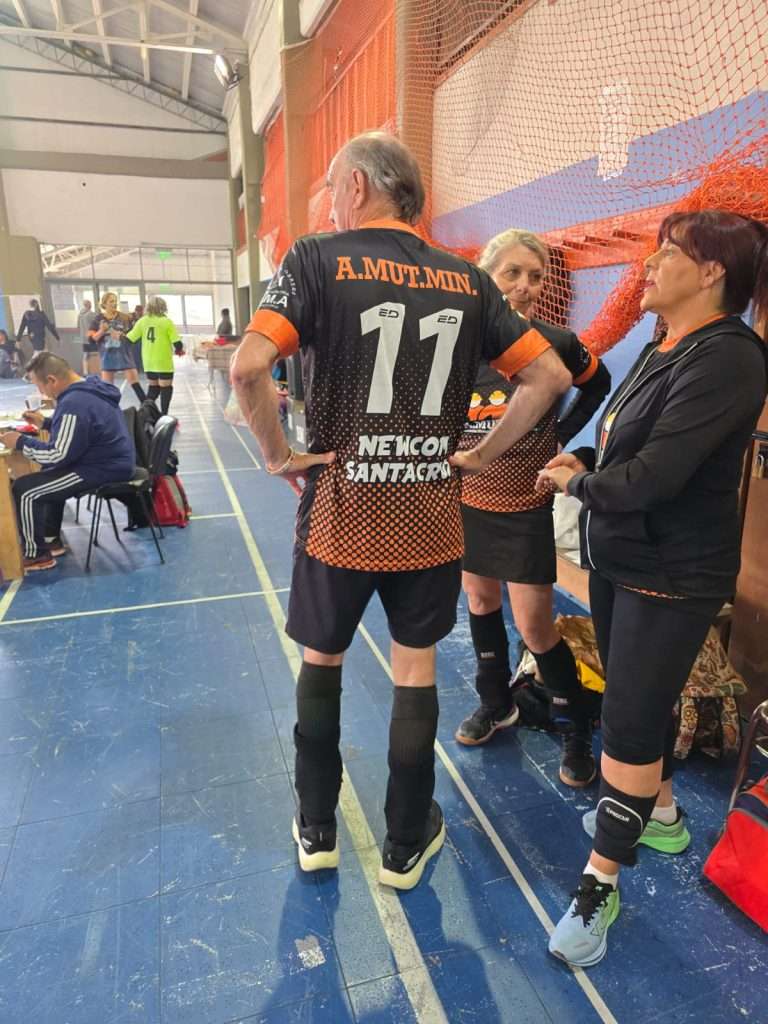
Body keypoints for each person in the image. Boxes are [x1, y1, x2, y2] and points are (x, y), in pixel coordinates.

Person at [231, 131, 570, 890]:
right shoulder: (468, 280)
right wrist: (482, 454)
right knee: (415, 668)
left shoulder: (317, 259)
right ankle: (405, 843)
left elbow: (249, 366)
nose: (328, 201)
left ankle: (316, 828)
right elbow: (548, 377)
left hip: (341, 516)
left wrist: (280, 455)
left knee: (323, 661)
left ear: (356, 186)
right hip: (430, 520)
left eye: (330, 186)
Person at [536, 210, 768, 967]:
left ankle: (601, 883)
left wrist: (577, 486)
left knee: (630, 726)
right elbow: (618, 444)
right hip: (621, 560)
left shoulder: (731, 358)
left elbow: (653, 477)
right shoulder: (660, 345)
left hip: (671, 575)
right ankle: (660, 815)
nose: (649, 264)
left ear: (711, 273)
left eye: (668, 253)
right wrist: (580, 459)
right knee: (639, 701)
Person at [454, 229, 611, 787]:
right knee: (479, 600)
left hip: (524, 504)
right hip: (468, 499)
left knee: (535, 625)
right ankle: (496, 704)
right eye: (512, 273)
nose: (525, 286)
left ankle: (574, 727)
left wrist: (560, 435)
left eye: (536, 276)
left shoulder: (557, 343)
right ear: (485, 275)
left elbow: (599, 384)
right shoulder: (459, 344)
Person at [0, 351, 135, 572]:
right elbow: (80, 431)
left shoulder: (74, 403)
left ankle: (37, 555)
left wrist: (20, 442)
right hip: (111, 460)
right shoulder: (90, 386)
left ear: (52, 380)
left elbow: (58, 454)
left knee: (26, 490)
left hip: (104, 468)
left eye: (39, 386)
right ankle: (51, 539)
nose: (40, 392)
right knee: (47, 472)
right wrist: (46, 424)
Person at [126, 297, 184, 415]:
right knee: (166, 388)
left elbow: (129, 339)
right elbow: (177, 343)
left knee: (154, 388)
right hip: (163, 362)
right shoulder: (166, 321)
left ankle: (145, 413)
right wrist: (179, 350)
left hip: (148, 362)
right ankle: (164, 415)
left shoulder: (142, 321)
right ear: (163, 307)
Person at [88, 292, 146, 403]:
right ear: (104, 304)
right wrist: (102, 331)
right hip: (107, 356)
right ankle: (110, 410)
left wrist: (122, 336)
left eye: (115, 301)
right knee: (107, 388)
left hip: (124, 355)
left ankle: (148, 408)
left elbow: (134, 335)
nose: (114, 304)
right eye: (111, 301)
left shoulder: (125, 318)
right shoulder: (97, 319)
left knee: (135, 384)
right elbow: (92, 339)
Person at [78, 299, 99, 376]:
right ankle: (96, 371)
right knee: (96, 354)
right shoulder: (91, 314)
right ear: (90, 305)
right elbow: (97, 324)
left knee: (85, 355)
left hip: (84, 338)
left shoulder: (80, 315)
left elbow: (78, 326)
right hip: (91, 337)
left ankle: (85, 372)